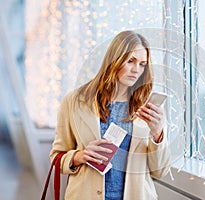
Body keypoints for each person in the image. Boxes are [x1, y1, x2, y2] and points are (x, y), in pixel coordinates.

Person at [49, 30, 171, 200]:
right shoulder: (74, 101)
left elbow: (160, 171)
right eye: (130, 61)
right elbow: (57, 158)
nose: (136, 70)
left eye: (142, 64)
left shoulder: (149, 107)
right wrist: (79, 156)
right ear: (114, 59)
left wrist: (158, 134)